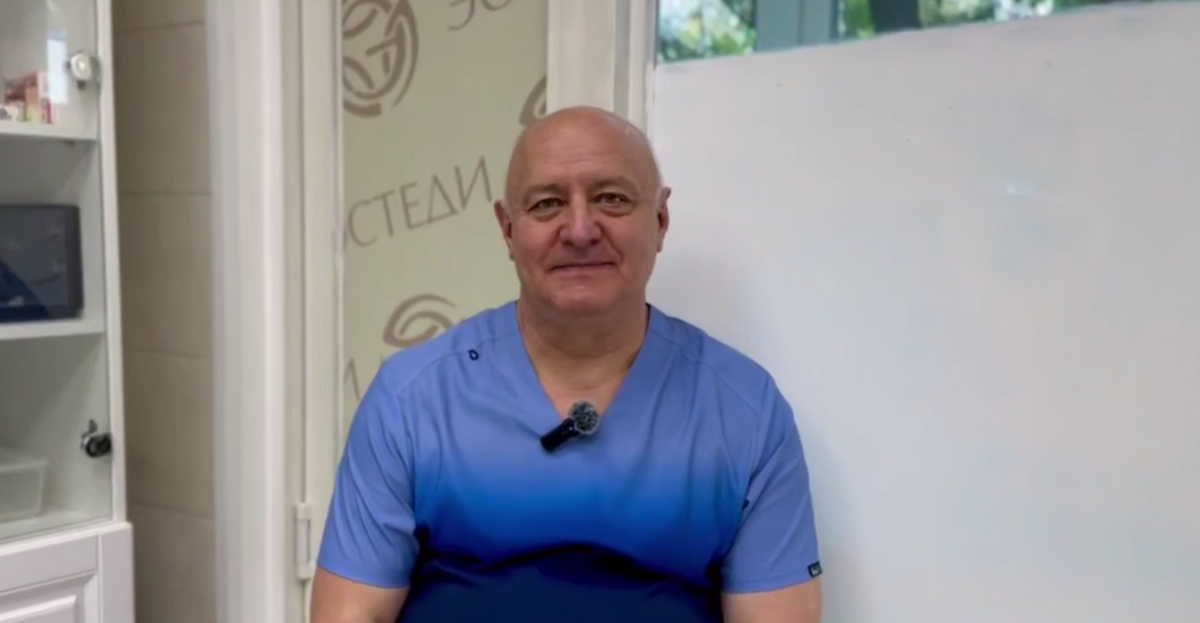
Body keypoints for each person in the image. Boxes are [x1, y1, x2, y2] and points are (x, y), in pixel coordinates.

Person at [311, 106, 824, 623]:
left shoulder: (744, 410)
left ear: (660, 220)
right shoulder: (412, 399)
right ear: (508, 230)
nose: (580, 230)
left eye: (612, 199)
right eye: (548, 204)